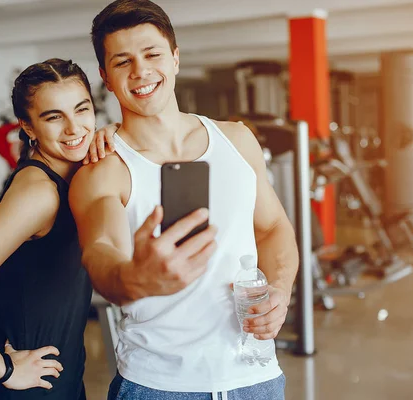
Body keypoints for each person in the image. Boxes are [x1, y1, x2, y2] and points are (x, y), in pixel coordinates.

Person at [68, 1, 299, 399]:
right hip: (159, 386)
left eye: (152, 54)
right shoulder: (103, 169)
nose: (140, 71)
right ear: (106, 78)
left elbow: (273, 227)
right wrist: (131, 278)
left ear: (175, 59)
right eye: (122, 62)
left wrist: (279, 289)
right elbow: (99, 252)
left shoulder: (239, 140)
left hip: (257, 377)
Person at [0, 58, 118, 399]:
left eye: (81, 110)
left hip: (61, 378)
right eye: (54, 117)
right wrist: (5, 370)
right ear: (28, 127)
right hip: (28, 386)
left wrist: (113, 132)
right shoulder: (39, 193)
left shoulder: (72, 176)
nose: (74, 129)